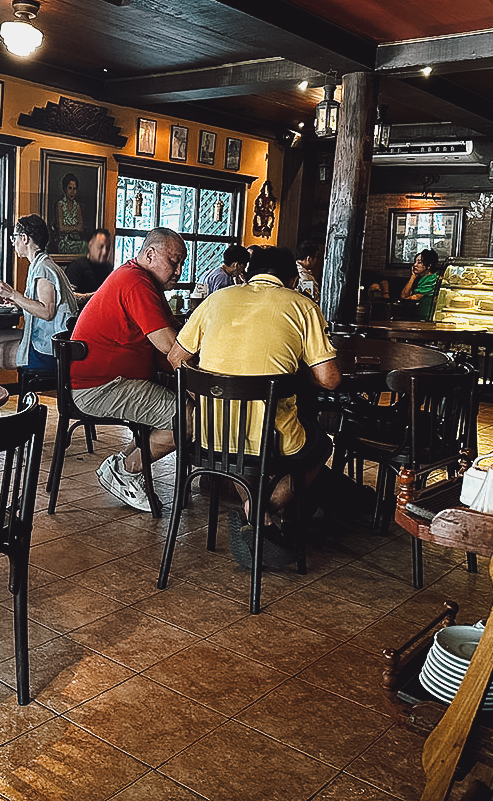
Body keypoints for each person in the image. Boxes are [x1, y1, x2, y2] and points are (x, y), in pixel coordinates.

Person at [169, 246, 340, 568]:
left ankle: (257, 513)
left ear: (245, 275)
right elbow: (329, 379)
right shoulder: (302, 306)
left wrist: (205, 392)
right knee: (319, 446)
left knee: (237, 446)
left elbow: (176, 359)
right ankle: (261, 510)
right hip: (271, 437)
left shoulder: (214, 300)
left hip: (209, 434)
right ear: (291, 279)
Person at [71, 227, 186, 511]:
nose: (179, 270)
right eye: (174, 262)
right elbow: (169, 345)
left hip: (108, 382)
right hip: (99, 387)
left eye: (182, 263)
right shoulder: (137, 282)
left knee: (186, 408)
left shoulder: (140, 278)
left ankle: (122, 467)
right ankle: (125, 470)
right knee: (187, 419)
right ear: (150, 254)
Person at [0, 215, 78, 381]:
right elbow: (38, 305)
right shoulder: (40, 264)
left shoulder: (44, 269)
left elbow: (47, 311)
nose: (13, 242)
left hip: (50, 349)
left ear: (24, 238)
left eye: (14, 237)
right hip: (44, 337)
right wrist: (14, 300)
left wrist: (13, 294)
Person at [65, 227, 114, 306]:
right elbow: (69, 297)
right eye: (100, 247)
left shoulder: (109, 269)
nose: (105, 252)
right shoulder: (76, 267)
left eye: (107, 248)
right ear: (90, 244)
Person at [400, 249, 441, 320]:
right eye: (415, 262)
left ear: (429, 266)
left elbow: (405, 298)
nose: (415, 265)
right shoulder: (421, 278)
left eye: (419, 262)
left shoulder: (431, 280)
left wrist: (413, 277)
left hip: (426, 318)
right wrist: (413, 276)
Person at [53, 172, 87, 256]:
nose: (72, 192)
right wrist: (75, 228)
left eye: (74, 189)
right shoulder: (60, 204)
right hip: (64, 240)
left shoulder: (77, 206)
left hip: (76, 239)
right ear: (65, 189)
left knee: (85, 246)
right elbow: (61, 228)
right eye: (70, 188)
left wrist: (68, 228)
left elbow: (81, 228)